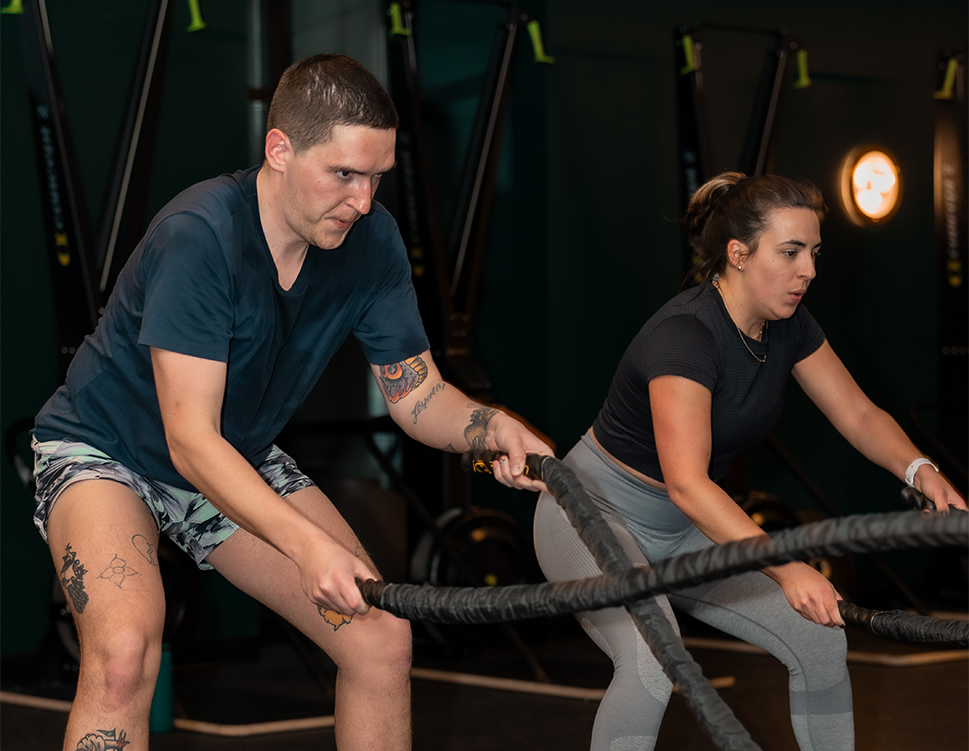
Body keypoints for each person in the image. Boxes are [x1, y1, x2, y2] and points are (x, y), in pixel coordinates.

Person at [32, 53, 552, 751]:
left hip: (232, 453)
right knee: (124, 651)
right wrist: (307, 545)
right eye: (343, 174)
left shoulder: (371, 243)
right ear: (279, 149)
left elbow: (418, 395)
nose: (363, 200)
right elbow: (189, 439)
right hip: (107, 450)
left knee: (379, 639)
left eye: (375, 177)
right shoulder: (201, 236)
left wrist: (491, 429)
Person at [532, 171, 967, 751]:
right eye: (789, 253)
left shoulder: (788, 326)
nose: (808, 270)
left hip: (685, 531)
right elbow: (688, 484)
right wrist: (786, 567)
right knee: (651, 662)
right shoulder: (686, 336)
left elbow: (859, 415)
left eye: (813, 252)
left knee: (817, 638)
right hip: (590, 518)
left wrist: (922, 471)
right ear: (738, 254)